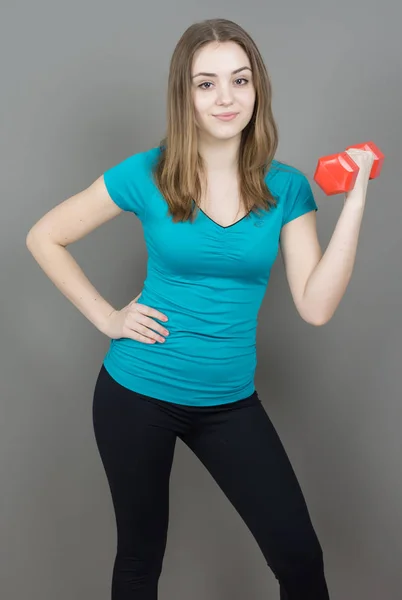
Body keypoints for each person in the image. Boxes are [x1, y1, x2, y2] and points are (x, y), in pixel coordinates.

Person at [26, 17, 374, 600]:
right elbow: (44, 236)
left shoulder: (286, 188)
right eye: (206, 83)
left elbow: (315, 305)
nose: (225, 97)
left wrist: (358, 198)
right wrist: (108, 317)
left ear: (257, 88)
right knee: (140, 562)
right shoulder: (148, 173)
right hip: (137, 392)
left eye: (239, 80)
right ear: (184, 94)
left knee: (299, 558)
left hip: (229, 403)